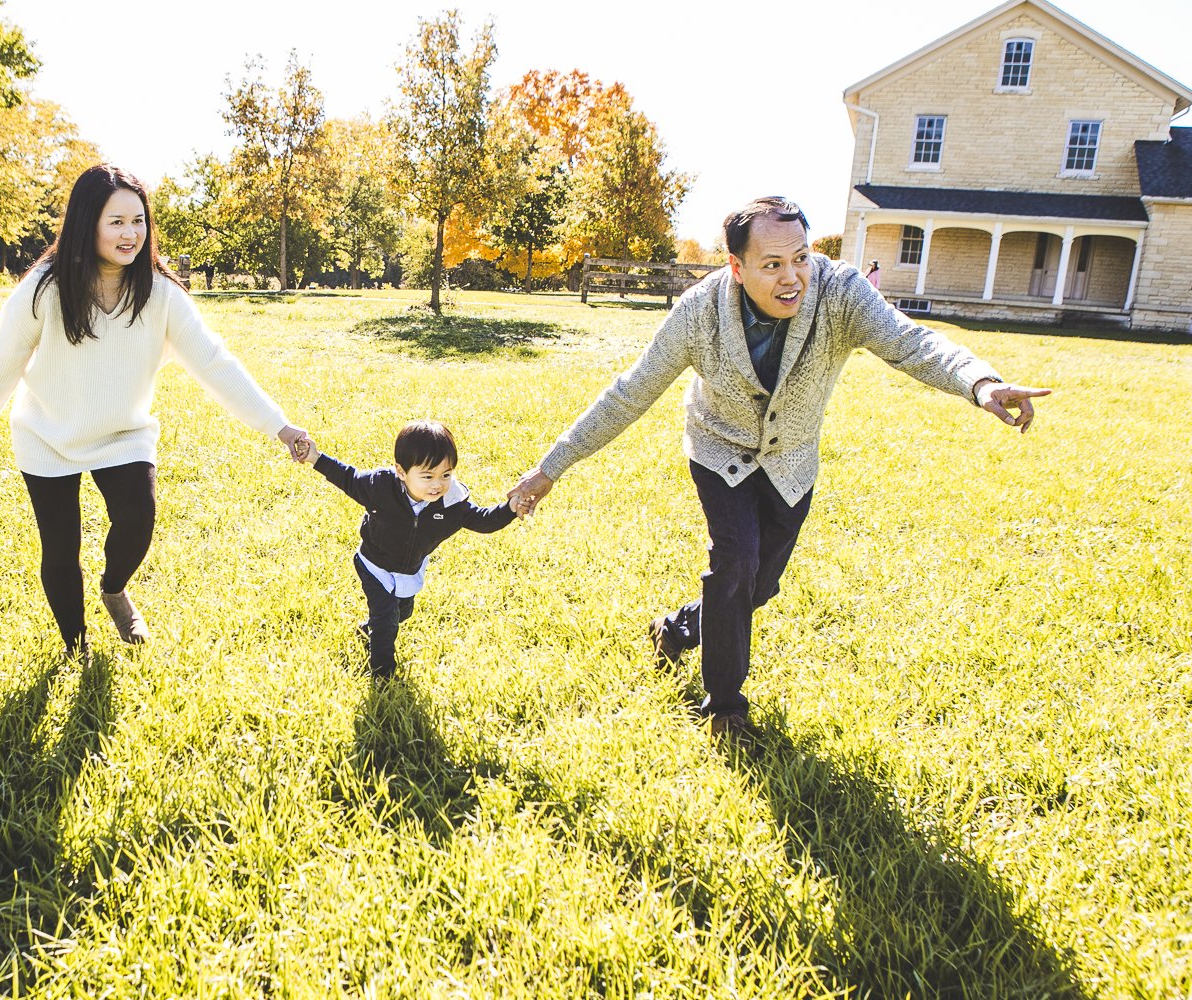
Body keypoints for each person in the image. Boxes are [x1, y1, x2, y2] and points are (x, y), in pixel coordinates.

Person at [508, 196, 1049, 739]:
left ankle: (675, 629)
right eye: (772, 265)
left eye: (802, 257)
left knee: (757, 588)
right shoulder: (698, 314)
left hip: (792, 460)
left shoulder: (839, 293)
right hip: (719, 452)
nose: (792, 277)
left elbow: (911, 342)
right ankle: (724, 708)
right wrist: (549, 469)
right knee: (735, 564)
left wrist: (980, 383)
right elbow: (628, 394)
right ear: (736, 268)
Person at [0, 164, 313, 656]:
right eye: (116, 221)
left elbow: (216, 364)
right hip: (48, 434)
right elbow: (0, 367)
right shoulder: (44, 289)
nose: (130, 233)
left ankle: (114, 590)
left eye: (138, 221)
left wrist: (279, 426)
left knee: (138, 519)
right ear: (86, 222)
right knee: (60, 548)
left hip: (123, 433)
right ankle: (76, 647)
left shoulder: (160, 294)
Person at [302, 420, 517, 678]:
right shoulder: (379, 487)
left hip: (410, 569)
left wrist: (511, 509)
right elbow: (346, 477)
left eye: (445, 475)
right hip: (374, 565)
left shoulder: (452, 504)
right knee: (386, 620)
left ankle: (366, 630)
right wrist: (315, 457)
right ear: (401, 472)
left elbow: (484, 521)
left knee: (403, 612)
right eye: (427, 476)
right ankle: (383, 675)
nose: (437, 484)